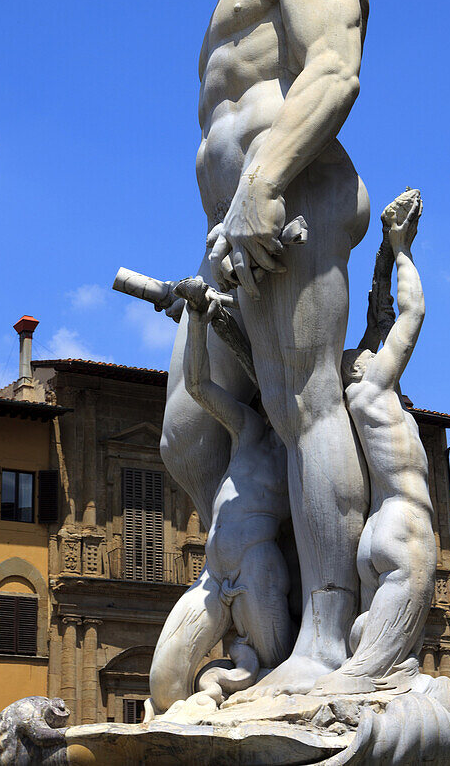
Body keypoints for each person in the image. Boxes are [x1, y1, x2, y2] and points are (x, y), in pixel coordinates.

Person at [158, 0, 370, 695]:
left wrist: (262, 183)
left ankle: (326, 643)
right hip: (225, 230)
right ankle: (262, 611)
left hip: (288, 198)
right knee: (187, 438)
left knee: (304, 406)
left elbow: (333, 68)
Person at [149, 277, 293, 714]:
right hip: (213, 573)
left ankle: (228, 690)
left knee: (274, 675)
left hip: (257, 571)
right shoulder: (249, 429)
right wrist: (196, 320)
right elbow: (197, 387)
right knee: (164, 684)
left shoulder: (303, 455)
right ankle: (221, 687)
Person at [312, 190, 435, 695]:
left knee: (376, 653)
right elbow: (410, 316)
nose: (372, 350)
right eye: (365, 353)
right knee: (366, 677)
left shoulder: (352, 406)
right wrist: (403, 249)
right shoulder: (375, 390)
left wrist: (381, 261)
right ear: (357, 369)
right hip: (406, 524)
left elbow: (376, 317)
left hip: (372, 536)